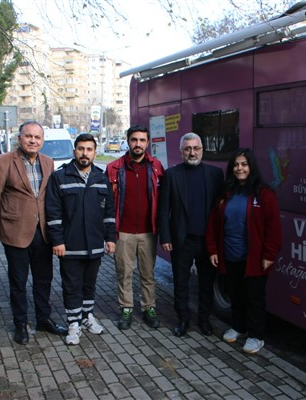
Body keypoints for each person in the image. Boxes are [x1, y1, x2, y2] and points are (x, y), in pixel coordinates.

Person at [0, 121, 67, 345]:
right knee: (18, 282)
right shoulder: (3, 163)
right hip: (16, 233)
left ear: (42, 141)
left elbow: (49, 196)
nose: (33, 141)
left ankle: (43, 319)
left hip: (43, 233)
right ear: (19, 138)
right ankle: (20, 323)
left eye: (37, 137)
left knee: (44, 280)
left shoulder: (48, 163)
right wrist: (5, 221)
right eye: (28, 136)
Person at [205, 148, 282, 354]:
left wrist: (269, 255)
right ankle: (239, 327)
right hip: (230, 256)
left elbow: (273, 228)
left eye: (244, 164)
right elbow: (213, 224)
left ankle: (256, 336)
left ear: (251, 167)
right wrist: (213, 249)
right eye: (236, 165)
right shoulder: (225, 193)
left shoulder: (264, 194)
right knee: (236, 296)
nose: (240, 168)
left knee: (254, 298)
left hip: (254, 259)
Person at [45, 133, 116, 345]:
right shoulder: (60, 177)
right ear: (74, 151)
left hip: (94, 245)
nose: (85, 153)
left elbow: (109, 212)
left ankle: (87, 317)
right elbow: (53, 212)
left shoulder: (101, 178)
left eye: (89, 149)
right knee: (71, 285)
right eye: (81, 149)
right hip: (70, 245)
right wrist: (57, 241)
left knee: (89, 284)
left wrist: (110, 238)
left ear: (95, 152)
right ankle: (73, 323)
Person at [158, 132, 224, 337]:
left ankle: (204, 320)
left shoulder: (215, 174)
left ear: (202, 150)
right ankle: (183, 319)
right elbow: (163, 209)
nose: (192, 152)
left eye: (196, 148)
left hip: (207, 241)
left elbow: (220, 208)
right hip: (181, 240)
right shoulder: (172, 175)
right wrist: (166, 237)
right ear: (181, 152)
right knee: (181, 282)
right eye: (188, 149)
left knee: (206, 283)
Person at [105, 125, 165, 330]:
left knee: (148, 274)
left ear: (147, 143)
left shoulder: (156, 167)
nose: (138, 144)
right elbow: (108, 204)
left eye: (142, 140)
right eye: (134, 140)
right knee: (124, 273)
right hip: (124, 232)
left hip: (148, 232)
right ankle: (126, 309)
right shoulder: (114, 168)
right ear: (128, 141)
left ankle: (149, 307)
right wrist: (110, 235)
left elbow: (162, 200)